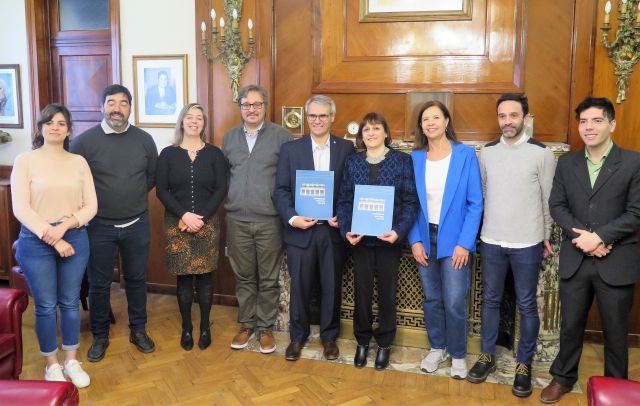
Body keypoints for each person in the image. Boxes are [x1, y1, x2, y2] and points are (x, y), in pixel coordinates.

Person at [540, 97, 640, 403]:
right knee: (570, 325)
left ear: (611, 124)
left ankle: (616, 388)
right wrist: (582, 238)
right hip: (577, 257)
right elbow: (557, 205)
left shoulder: (634, 162)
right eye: (583, 121)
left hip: (616, 258)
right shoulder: (567, 163)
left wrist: (600, 237)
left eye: (596, 121)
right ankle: (563, 378)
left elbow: (636, 212)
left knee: (615, 332)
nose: (589, 127)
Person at [467, 93, 556, 397]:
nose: (507, 121)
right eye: (502, 116)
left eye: (513, 116)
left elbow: (548, 200)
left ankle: (524, 365)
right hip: (491, 241)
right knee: (490, 300)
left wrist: (544, 234)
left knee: (527, 304)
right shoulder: (487, 153)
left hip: (527, 242)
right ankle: (487, 355)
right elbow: (480, 196)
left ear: (525, 118)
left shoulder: (542, 154)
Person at [70, 84, 158, 362]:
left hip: (137, 223)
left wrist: (128, 198)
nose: (117, 108)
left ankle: (138, 330)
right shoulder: (84, 142)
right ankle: (100, 337)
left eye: (123, 103)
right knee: (98, 284)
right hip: (99, 227)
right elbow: (74, 183)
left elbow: (151, 177)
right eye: (111, 102)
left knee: (136, 279)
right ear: (102, 107)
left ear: (130, 108)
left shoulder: (144, 139)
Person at [11, 104, 97, 387]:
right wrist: (52, 236)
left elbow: (91, 206)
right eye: (49, 122)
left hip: (73, 237)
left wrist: (64, 228)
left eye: (61, 123)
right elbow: (21, 208)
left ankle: (71, 360)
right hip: (35, 242)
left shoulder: (78, 162)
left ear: (69, 130)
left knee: (70, 302)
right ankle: (51, 365)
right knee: (46, 305)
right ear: (40, 127)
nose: (55, 127)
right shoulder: (25, 160)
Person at [274, 95, 355, 362]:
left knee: (331, 286)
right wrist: (293, 218)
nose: (317, 120)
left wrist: (342, 217)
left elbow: (350, 190)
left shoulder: (346, 148)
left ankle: (329, 338)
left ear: (332, 117)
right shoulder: (290, 149)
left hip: (332, 231)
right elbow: (281, 191)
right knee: (300, 287)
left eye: (323, 116)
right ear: (306, 118)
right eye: (312, 116)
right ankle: (297, 337)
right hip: (301, 230)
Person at [407, 101, 483, 379]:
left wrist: (465, 243)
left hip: (455, 241)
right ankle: (437, 347)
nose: (430, 123)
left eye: (436, 117)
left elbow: (475, 203)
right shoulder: (414, 158)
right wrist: (414, 240)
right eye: (425, 119)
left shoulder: (464, 155)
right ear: (421, 126)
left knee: (453, 300)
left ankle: (458, 354)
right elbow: (410, 203)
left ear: (447, 121)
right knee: (432, 298)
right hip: (425, 236)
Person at [337, 112, 418, 370]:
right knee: (361, 292)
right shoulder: (352, 162)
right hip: (360, 240)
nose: (370, 133)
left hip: (388, 241)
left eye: (375, 128)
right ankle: (362, 341)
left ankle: (384, 344)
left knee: (387, 293)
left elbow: (409, 202)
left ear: (386, 132)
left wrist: (398, 231)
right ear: (361, 136)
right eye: (366, 130)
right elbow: (344, 201)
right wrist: (347, 230)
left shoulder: (402, 161)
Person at [222, 84, 292, 353]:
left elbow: (287, 177)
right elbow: (226, 175)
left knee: (268, 278)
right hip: (237, 219)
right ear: (240, 108)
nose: (251, 109)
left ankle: (265, 328)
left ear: (265, 106)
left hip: (269, 221)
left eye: (257, 104)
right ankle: (247, 324)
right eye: (246, 105)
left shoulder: (281, 136)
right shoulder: (229, 138)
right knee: (244, 277)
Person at [156, 103, 227, 351]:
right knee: (184, 279)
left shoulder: (215, 154)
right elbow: (162, 190)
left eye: (199, 118)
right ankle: (187, 327)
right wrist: (185, 215)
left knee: (205, 277)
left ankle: (205, 326)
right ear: (182, 122)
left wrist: (201, 217)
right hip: (177, 224)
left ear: (204, 124)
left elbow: (221, 189)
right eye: (189, 117)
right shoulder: (167, 154)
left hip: (207, 225)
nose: (194, 121)